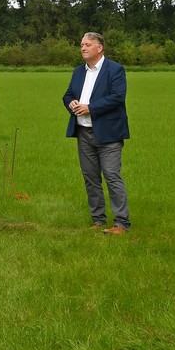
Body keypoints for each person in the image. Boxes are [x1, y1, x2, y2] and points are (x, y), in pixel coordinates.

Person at [63, 32, 130, 232]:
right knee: (91, 177)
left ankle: (121, 223)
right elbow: (67, 95)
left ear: (99, 48)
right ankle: (98, 219)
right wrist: (71, 103)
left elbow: (118, 97)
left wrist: (90, 107)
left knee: (111, 175)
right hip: (83, 132)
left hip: (108, 133)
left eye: (87, 45)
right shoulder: (78, 71)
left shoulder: (115, 70)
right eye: (81, 44)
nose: (83, 48)